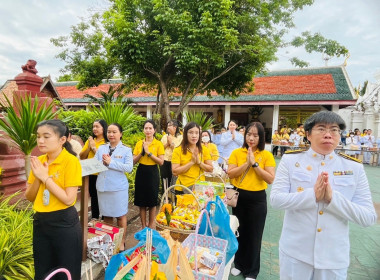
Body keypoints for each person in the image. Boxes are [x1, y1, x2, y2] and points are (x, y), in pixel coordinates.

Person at [270, 111, 377, 280]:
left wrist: (332, 199)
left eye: (334, 130)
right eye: (321, 129)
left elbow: (368, 217)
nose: (328, 134)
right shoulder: (290, 161)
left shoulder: (354, 168)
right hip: (295, 253)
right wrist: (312, 195)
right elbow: (276, 199)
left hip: (333, 258)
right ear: (308, 134)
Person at [25, 120, 82, 280]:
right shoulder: (39, 161)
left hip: (63, 223)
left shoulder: (71, 161)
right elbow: (29, 197)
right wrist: (38, 177)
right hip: (41, 223)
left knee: (66, 272)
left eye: (46, 136)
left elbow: (69, 199)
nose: (40, 141)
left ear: (62, 139)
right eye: (38, 136)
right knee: (43, 271)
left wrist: (45, 178)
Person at [227, 122, 276, 280]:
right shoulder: (237, 152)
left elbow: (270, 179)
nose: (251, 138)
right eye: (249, 134)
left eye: (256, 135)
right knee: (239, 232)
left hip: (257, 200)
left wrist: (254, 164)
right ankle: (239, 264)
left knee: (254, 235)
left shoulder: (266, 155)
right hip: (238, 197)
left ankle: (252, 270)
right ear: (244, 135)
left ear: (261, 137)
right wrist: (246, 164)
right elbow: (231, 173)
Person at [95, 123, 133, 251]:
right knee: (107, 215)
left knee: (120, 215)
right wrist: (101, 163)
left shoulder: (126, 150)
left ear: (120, 134)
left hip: (118, 188)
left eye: (114, 132)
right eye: (109, 132)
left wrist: (111, 163)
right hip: (103, 187)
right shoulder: (101, 148)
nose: (111, 134)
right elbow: (95, 164)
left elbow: (129, 168)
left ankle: (121, 242)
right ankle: (110, 241)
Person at [133, 120, 164, 229]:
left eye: (150, 128)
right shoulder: (139, 143)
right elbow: (133, 161)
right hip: (141, 171)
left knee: (152, 201)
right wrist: (142, 152)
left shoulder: (158, 144)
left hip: (153, 172)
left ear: (154, 130)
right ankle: (143, 226)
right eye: (146, 128)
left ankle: (151, 225)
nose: (148, 130)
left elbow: (161, 162)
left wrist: (148, 153)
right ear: (143, 130)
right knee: (141, 201)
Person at [80, 119, 108, 219]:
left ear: (103, 128)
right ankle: (95, 218)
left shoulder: (106, 142)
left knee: (103, 197)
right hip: (91, 173)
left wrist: (93, 147)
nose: (94, 129)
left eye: (97, 126)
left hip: (102, 174)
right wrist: (89, 147)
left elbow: (104, 158)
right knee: (94, 197)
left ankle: (105, 219)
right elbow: (82, 156)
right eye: (93, 126)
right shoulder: (90, 140)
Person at [172, 122, 213, 189]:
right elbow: (175, 171)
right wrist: (191, 163)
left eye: (197, 133)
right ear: (185, 134)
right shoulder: (178, 150)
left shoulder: (204, 150)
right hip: (183, 187)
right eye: (191, 132)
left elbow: (210, 169)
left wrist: (199, 162)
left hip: (200, 187)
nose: (194, 136)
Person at [160, 120, 183, 187]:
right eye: (168, 126)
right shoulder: (165, 136)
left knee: (173, 180)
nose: (168, 127)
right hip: (164, 161)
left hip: (175, 162)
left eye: (169, 125)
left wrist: (171, 144)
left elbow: (179, 150)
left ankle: (172, 196)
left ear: (175, 127)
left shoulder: (180, 137)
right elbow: (161, 148)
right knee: (164, 179)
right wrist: (167, 143)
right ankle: (165, 195)